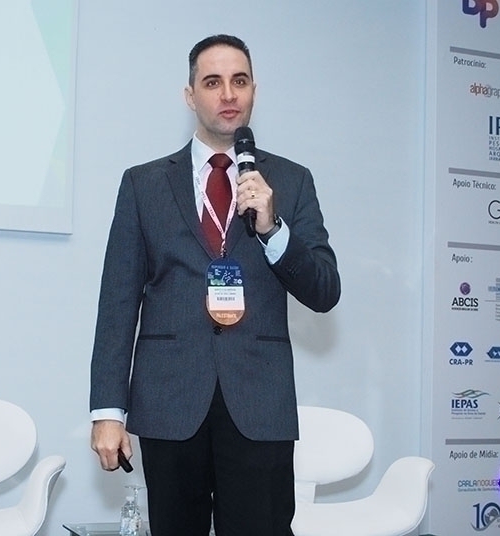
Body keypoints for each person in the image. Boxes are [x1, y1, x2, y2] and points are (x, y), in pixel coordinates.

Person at [89, 34, 340, 536]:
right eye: (212, 82)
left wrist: (272, 228)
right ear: (190, 95)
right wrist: (107, 410)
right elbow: (117, 303)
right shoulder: (143, 184)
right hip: (169, 402)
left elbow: (324, 290)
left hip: (259, 404)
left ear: (254, 92)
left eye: (239, 81)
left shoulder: (291, 182)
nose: (228, 94)